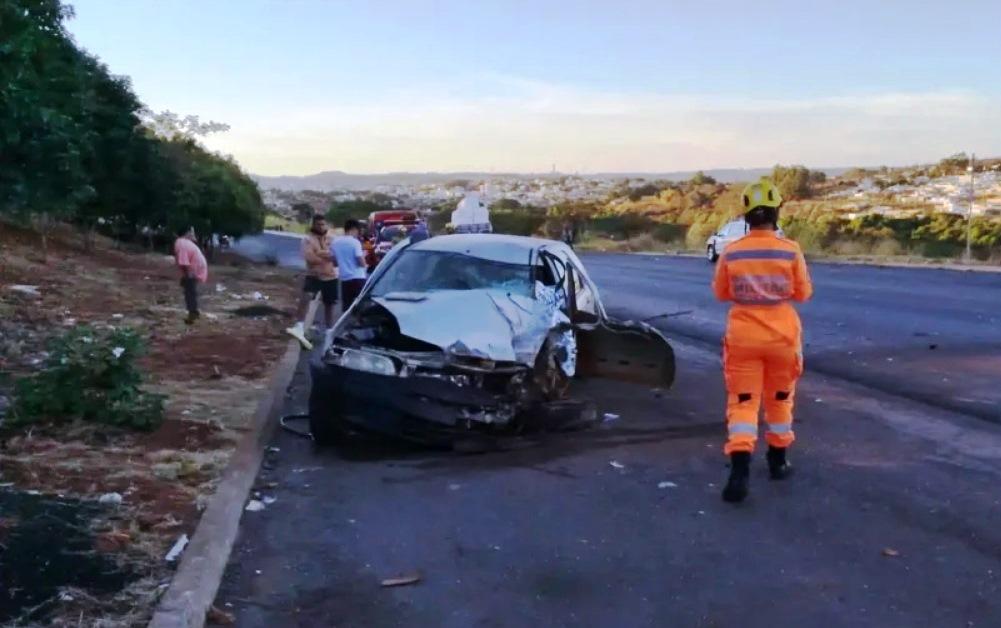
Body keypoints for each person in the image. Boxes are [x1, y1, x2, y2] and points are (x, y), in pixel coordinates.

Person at [712, 178, 813, 503]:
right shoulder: (790, 250)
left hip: (743, 337)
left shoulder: (731, 252)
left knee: (743, 402)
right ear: (775, 213)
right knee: (780, 399)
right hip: (783, 338)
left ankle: (739, 471)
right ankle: (778, 462)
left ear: (746, 215)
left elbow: (720, 293)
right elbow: (803, 293)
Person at [287, 214, 337, 348]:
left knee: (329, 304)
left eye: (323, 224)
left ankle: (329, 331)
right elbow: (310, 258)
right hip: (313, 275)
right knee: (306, 298)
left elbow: (336, 257)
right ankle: (299, 326)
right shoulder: (307, 240)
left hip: (330, 276)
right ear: (313, 225)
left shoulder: (331, 239)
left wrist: (320, 253)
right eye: (318, 224)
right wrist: (326, 256)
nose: (321, 227)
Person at [173, 226, 208, 325]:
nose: (193, 234)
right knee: (190, 293)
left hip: (193, 271)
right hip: (193, 271)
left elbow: (184, 262)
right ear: (187, 233)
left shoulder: (182, 243)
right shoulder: (183, 243)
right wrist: (187, 274)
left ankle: (193, 313)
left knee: (190, 293)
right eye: (192, 232)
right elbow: (184, 261)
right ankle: (193, 312)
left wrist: (187, 275)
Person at [332, 219, 368, 310]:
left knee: (347, 308)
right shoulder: (355, 242)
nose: (358, 233)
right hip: (358, 278)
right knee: (361, 307)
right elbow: (361, 262)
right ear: (353, 229)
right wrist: (364, 260)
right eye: (358, 230)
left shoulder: (335, 242)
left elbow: (335, 263)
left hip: (344, 279)